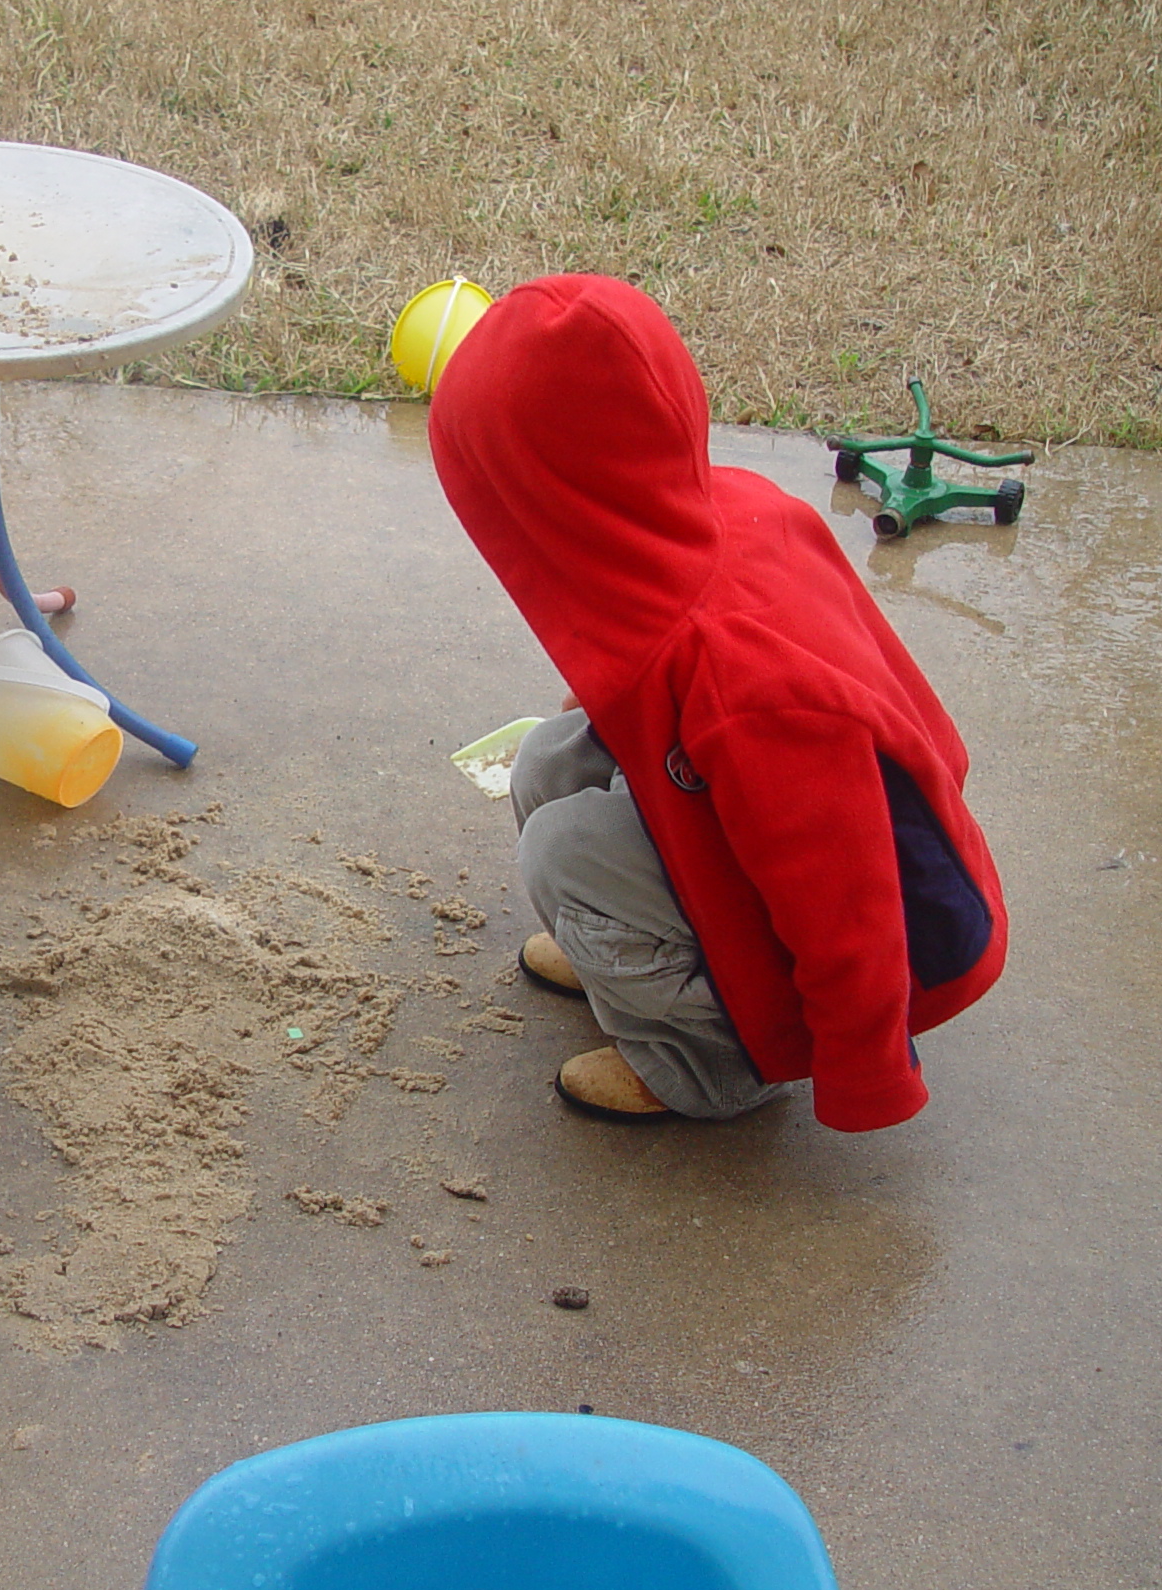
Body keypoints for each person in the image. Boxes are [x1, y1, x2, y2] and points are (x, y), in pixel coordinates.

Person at [427, 274, 1007, 1130]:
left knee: (564, 849)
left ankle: (711, 1065)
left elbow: (847, 896)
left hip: (876, 919)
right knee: (551, 760)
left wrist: (864, 1064)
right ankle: (630, 956)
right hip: (745, 816)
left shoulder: (747, 684)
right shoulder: (723, 508)